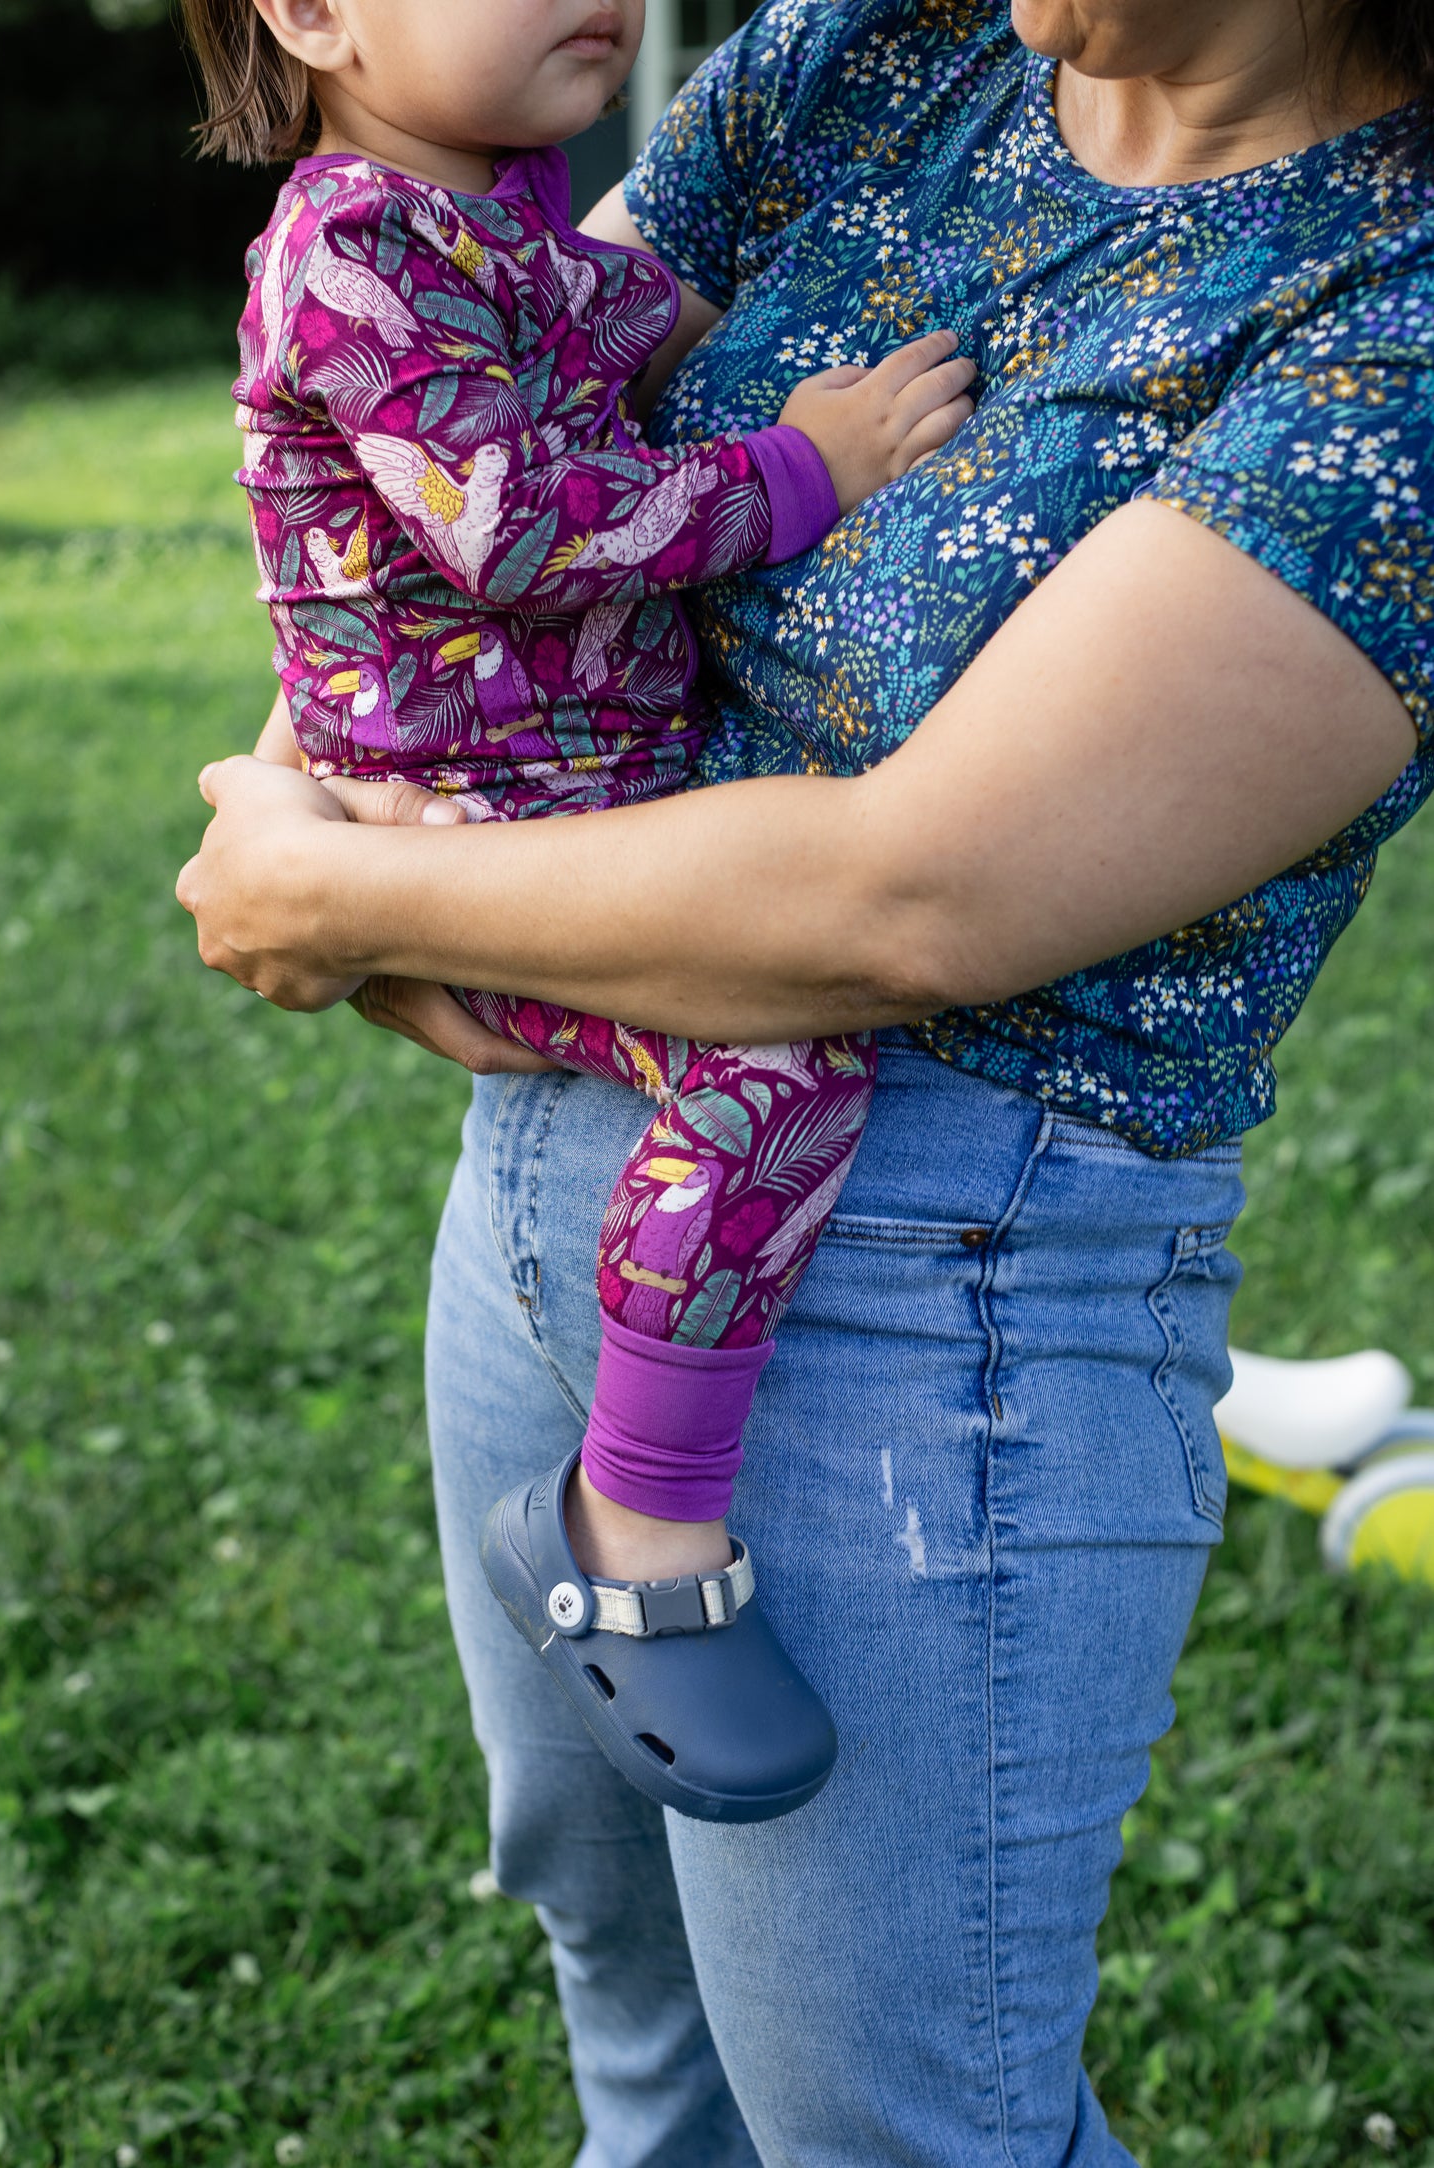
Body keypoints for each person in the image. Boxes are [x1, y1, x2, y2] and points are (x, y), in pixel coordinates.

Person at [177, 0, 1434, 2157]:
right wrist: (324, 814)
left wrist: (363, 901)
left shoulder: (1386, 316)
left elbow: (898, 902)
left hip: (924, 1287)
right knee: (640, 2017)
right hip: (555, 1182)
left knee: (894, 2124)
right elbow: (459, 452)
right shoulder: (879, 55)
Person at [179, 0, 976, 1820]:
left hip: (567, 802)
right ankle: (643, 1516)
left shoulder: (509, 210)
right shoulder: (350, 245)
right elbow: (514, 528)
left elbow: (623, 314)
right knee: (777, 1065)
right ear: (314, 17)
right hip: (472, 826)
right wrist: (806, 468)